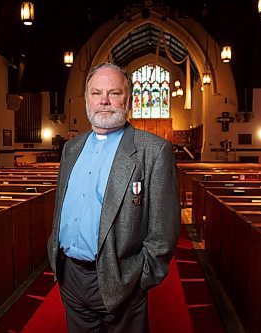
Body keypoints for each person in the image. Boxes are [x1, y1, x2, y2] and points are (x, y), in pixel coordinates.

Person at [47, 62, 181, 333]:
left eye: (114, 93)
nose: (104, 101)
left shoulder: (153, 151)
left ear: (128, 99)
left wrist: (138, 280)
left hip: (121, 278)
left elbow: (163, 230)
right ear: (87, 99)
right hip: (70, 276)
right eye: (96, 93)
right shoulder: (71, 148)